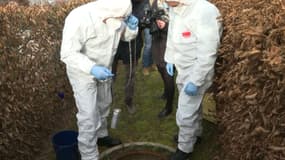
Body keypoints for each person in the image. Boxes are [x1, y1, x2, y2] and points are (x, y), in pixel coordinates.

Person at [60, 0, 138, 159]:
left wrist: (132, 28)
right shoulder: (78, 18)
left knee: (104, 103)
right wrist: (92, 68)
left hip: (105, 68)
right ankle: (89, 155)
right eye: (119, 19)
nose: (119, 22)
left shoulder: (117, 13)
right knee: (88, 115)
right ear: (106, 14)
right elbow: (68, 53)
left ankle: (102, 135)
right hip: (83, 73)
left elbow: (124, 36)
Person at [164, 0, 223, 159]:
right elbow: (172, 35)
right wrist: (170, 59)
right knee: (193, 107)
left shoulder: (204, 11)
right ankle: (194, 135)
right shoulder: (175, 8)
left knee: (185, 112)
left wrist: (196, 80)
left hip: (198, 71)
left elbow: (208, 51)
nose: (165, 2)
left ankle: (185, 148)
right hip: (183, 68)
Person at [112, 0, 148, 114]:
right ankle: (107, 98)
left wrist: (139, 21)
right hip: (114, 43)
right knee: (109, 74)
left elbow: (144, 17)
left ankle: (129, 101)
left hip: (132, 45)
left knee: (130, 76)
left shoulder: (143, 3)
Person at [145, 0, 175, 118]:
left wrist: (165, 25)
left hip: (168, 42)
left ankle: (168, 107)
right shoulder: (156, 2)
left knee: (168, 73)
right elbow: (153, 17)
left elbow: (179, 25)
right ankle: (166, 93)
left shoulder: (176, 3)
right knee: (160, 66)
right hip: (157, 39)